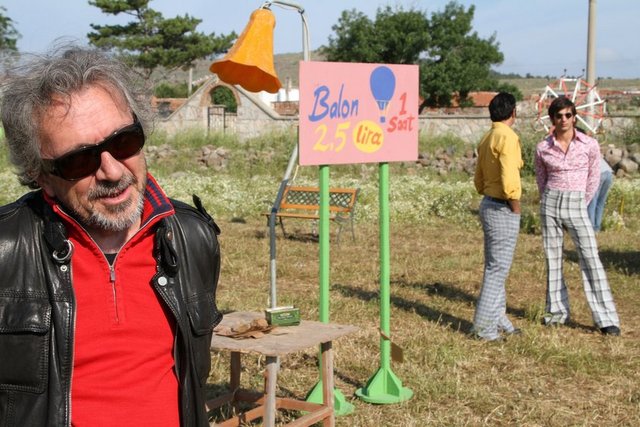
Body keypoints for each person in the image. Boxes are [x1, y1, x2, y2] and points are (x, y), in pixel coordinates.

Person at [0, 46, 222, 425]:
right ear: (42, 177)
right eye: (79, 160)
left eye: (123, 142)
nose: (113, 171)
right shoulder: (6, 250)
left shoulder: (192, 236)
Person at [534, 96, 620, 336]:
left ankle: (606, 319)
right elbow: (541, 178)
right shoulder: (543, 147)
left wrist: (582, 202)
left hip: (577, 202)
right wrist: (547, 200)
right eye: (559, 116)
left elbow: (594, 177)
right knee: (553, 259)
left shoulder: (589, 144)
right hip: (551, 201)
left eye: (568, 115)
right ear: (552, 119)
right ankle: (556, 314)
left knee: (591, 257)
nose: (564, 120)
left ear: (574, 117)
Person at [472, 92, 523, 341]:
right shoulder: (508, 137)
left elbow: (479, 178)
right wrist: (515, 205)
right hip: (503, 206)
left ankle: (499, 319)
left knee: (495, 265)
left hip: (488, 203)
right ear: (513, 112)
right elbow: (509, 176)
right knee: (497, 270)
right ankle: (483, 328)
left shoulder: (487, 137)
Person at [587, 155, 614, 232]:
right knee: (600, 202)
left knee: (592, 201)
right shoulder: (592, 150)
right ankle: (597, 227)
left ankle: (591, 228)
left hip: (598, 173)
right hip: (609, 173)